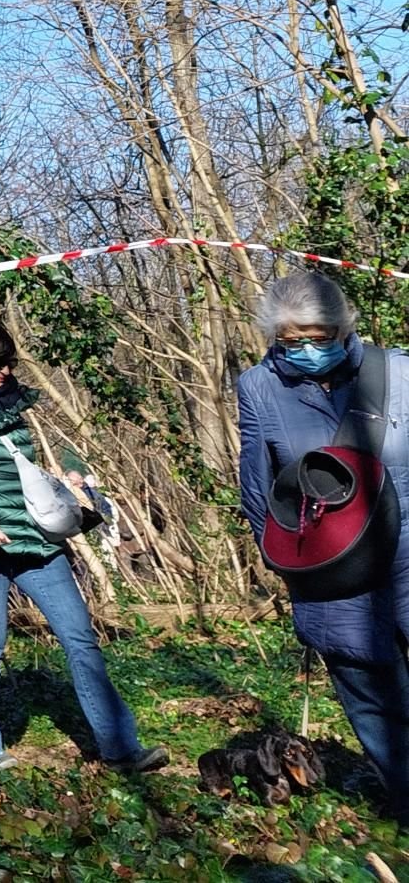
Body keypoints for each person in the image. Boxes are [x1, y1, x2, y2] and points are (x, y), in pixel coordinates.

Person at [0, 316, 167, 776]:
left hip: (36, 543)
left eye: (8, 364)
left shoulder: (11, 405)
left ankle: (119, 748)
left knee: (80, 639)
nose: (4, 373)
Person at [235, 271, 409, 817]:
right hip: (335, 575)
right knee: (372, 698)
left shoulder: (399, 373)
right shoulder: (259, 387)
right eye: (292, 341)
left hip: (408, 557)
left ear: (344, 326)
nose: (308, 350)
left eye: (319, 336)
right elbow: (258, 489)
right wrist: (295, 565)